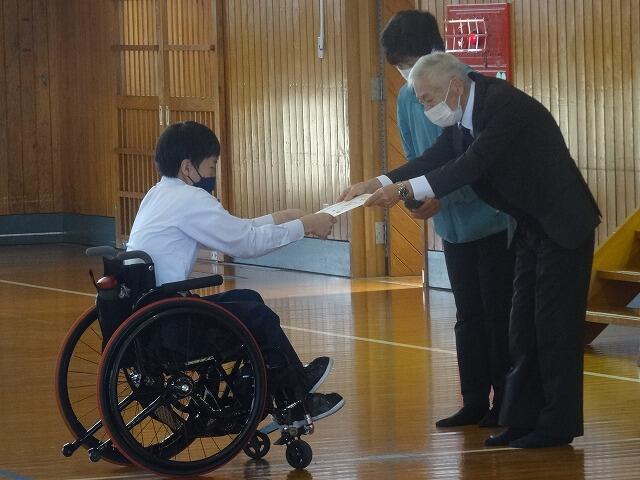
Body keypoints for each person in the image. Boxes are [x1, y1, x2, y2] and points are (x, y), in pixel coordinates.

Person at [341, 52, 600, 448]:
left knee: (554, 329)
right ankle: (522, 419)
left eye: (428, 99)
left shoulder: (503, 106)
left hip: (563, 225)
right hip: (531, 226)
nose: (426, 108)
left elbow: (469, 166)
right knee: (522, 328)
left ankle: (556, 426)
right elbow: (436, 158)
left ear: (455, 87)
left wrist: (405, 190)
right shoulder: (465, 115)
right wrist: (378, 182)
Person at [126, 120, 344, 424]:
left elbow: (235, 231)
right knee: (259, 316)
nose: (213, 174)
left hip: (151, 316)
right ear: (188, 167)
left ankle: (285, 385)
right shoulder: (190, 199)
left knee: (248, 298)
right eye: (212, 165)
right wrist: (305, 225)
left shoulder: (158, 195)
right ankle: (296, 397)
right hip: (172, 324)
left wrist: (283, 217)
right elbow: (245, 244)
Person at [378, 10, 515, 428]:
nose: (406, 75)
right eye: (400, 67)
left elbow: (475, 161)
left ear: (432, 53)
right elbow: (418, 159)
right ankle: (473, 399)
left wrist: (439, 192)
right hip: (452, 227)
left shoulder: (467, 87)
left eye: (408, 63)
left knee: (498, 315)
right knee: (467, 316)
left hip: (490, 220)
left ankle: (505, 401)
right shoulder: (406, 99)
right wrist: (413, 198)